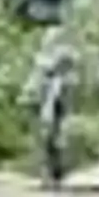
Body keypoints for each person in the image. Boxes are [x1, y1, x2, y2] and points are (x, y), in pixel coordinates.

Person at [25, 26, 76, 188]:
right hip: (46, 105)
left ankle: (51, 173)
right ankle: (49, 173)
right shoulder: (44, 63)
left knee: (51, 139)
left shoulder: (55, 67)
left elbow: (59, 92)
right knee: (48, 139)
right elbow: (34, 86)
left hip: (53, 107)